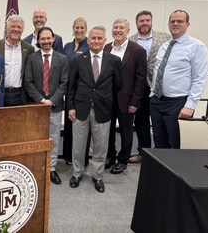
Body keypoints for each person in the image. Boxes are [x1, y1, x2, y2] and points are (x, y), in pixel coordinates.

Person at [67, 26, 122, 193]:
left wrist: (105, 98)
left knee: (100, 146)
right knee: (78, 145)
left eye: (100, 38)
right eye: (93, 38)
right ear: (88, 40)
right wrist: (70, 107)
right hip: (80, 108)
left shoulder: (114, 60)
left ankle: (97, 176)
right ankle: (77, 173)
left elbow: (118, 85)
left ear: (105, 41)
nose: (96, 41)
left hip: (103, 109)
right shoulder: (78, 59)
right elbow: (71, 86)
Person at [150, 10, 208, 149]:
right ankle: (160, 171)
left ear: (187, 24)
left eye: (180, 21)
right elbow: (158, 72)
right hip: (157, 101)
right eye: (173, 21)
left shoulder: (197, 47)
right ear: (169, 24)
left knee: (176, 144)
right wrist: (152, 94)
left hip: (177, 104)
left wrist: (190, 105)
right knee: (159, 143)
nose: (175, 24)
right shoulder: (164, 46)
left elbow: (199, 78)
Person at [24, 27, 68, 185]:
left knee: (54, 138)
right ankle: (36, 167)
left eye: (48, 38)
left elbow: (64, 83)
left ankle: (51, 168)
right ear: (38, 40)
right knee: (35, 138)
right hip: (36, 107)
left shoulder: (62, 59)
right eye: (43, 39)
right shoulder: (31, 58)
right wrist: (42, 100)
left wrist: (52, 100)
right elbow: (27, 82)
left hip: (54, 106)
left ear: (53, 39)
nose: (46, 41)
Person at [104, 19, 147, 174]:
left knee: (126, 132)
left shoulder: (137, 51)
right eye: (115, 27)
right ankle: (110, 156)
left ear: (128, 31)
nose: (118, 30)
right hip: (108, 98)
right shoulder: (107, 47)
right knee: (107, 130)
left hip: (127, 99)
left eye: (122, 28)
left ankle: (123, 160)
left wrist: (135, 101)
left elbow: (141, 79)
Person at [128, 10, 171, 163]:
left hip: (160, 87)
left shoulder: (165, 38)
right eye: (141, 21)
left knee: (160, 121)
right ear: (136, 23)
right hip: (140, 87)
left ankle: (163, 155)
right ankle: (143, 152)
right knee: (141, 122)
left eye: (147, 20)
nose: (144, 23)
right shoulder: (130, 40)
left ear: (151, 21)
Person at [0, 15, 34, 106]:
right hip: (0, 94)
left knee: (20, 120)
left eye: (19, 27)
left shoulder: (29, 48)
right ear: (6, 28)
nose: (16, 29)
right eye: (13, 26)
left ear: (22, 30)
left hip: (20, 95)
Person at [62, 17, 90, 165]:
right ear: (72, 29)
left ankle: (81, 159)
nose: (79, 30)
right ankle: (68, 156)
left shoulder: (89, 46)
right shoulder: (67, 46)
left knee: (81, 127)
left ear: (86, 30)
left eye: (82, 28)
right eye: (76, 28)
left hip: (82, 92)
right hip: (68, 90)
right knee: (68, 124)